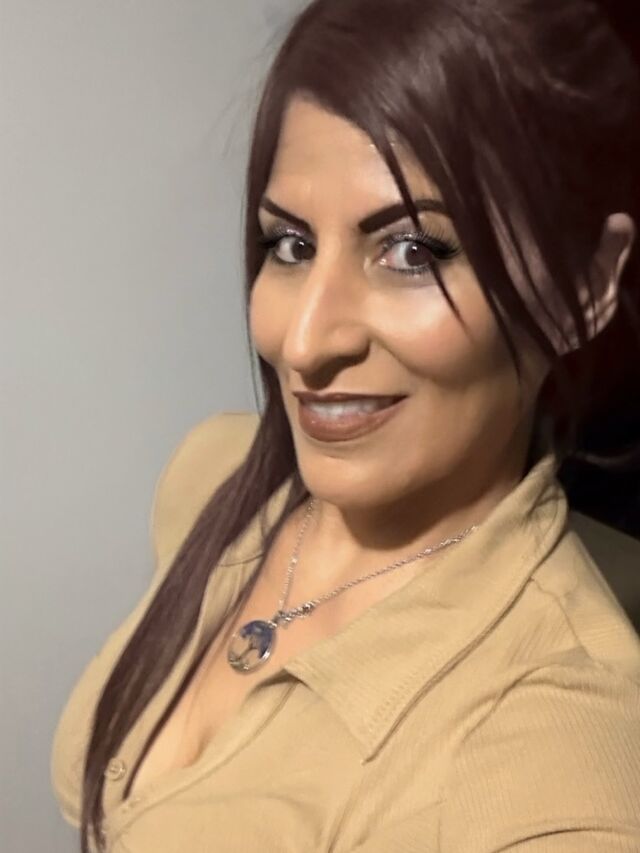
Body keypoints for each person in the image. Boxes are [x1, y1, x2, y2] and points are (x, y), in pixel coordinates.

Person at [51, 1, 640, 850]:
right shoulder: (212, 475)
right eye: (291, 246)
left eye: (413, 252)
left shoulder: (555, 752)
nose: (303, 342)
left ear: (584, 286)